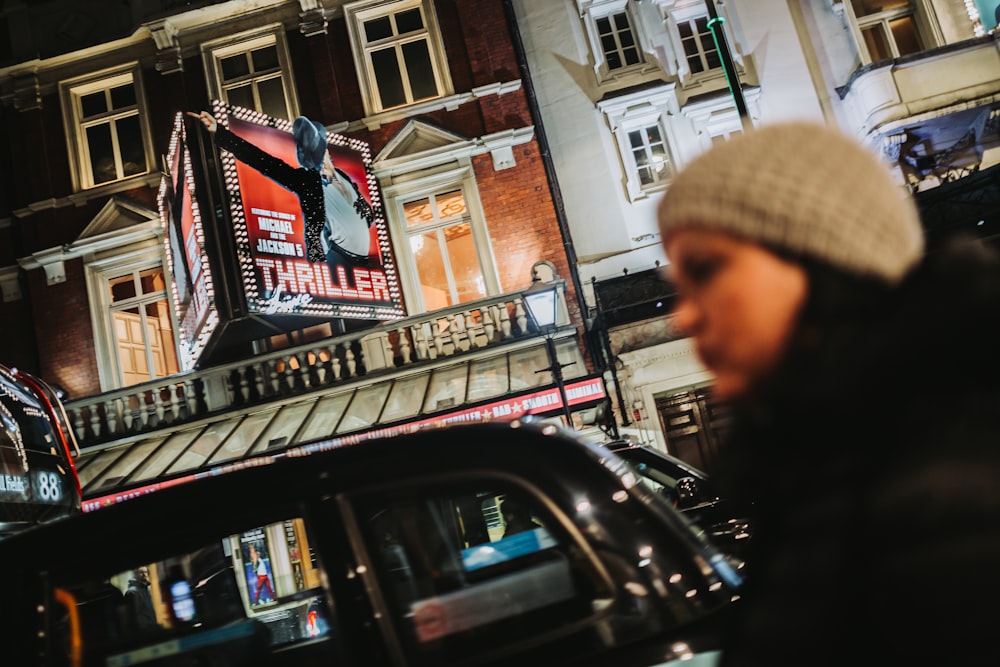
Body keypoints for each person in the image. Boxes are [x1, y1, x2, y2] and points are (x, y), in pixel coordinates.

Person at [656, 121, 1000, 664]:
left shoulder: (948, 503)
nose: (683, 315)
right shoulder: (822, 469)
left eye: (705, 268)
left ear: (818, 258)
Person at [187, 110, 376, 274]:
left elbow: (366, 213)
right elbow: (263, 161)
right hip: (340, 262)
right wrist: (220, 133)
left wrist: (362, 209)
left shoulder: (341, 175)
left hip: (364, 262)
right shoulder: (308, 180)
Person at [123, 566, 157, 631]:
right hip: (144, 631)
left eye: (146, 572)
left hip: (151, 627)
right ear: (136, 574)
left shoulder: (146, 589)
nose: (145, 575)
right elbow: (134, 616)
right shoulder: (132, 592)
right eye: (141, 572)